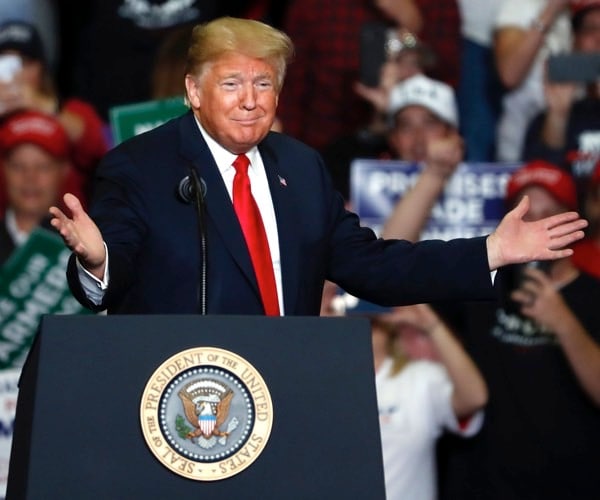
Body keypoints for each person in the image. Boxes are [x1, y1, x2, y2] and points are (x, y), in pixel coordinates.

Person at [48, 17, 587, 317]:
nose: (250, 100)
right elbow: (108, 277)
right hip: (181, 407)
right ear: (193, 90)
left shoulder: (301, 168)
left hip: (288, 390)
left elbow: (373, 267)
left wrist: (490, 250)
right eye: (231, 84)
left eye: (264, 84)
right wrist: (98, 262)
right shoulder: (139, 165)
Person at [382, 157, 600, 499]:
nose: (538, 224)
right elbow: (390, 268)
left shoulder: (593, 295)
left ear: (574, 219)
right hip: (481, 484)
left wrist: (564, 322)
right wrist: (435, 173)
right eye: (526, 213)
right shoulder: (484, 286)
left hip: (572, 485)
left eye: (551, 212)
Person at [369, 303, 487, 500]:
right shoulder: (315, 380)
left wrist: (432, 325)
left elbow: (474, 398)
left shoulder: (420, 379)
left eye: (371, 322)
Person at [0, 20, 109, 214]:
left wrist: (44, 105)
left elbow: (101, 144)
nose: (15, 73)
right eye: (4, 63)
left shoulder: (70, 111)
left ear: (42, 68)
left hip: (66, 232)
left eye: (24, 63)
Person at [522, 0, 600, 192]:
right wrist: (558, 116)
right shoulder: (544, 121)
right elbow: (540, 196)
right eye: (589, 30)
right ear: (575, 44)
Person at [493, 0, 572, 162]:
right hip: (521, 132)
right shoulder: (521, 6)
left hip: (575, 134)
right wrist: (550, 11)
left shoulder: (589, 10)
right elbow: (510, 75)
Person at [0, 110, 69, 266]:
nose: (30, 178)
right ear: (4, 170)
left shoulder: (83, 248)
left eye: (43, 167)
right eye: (18, 166)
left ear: (64, 171)